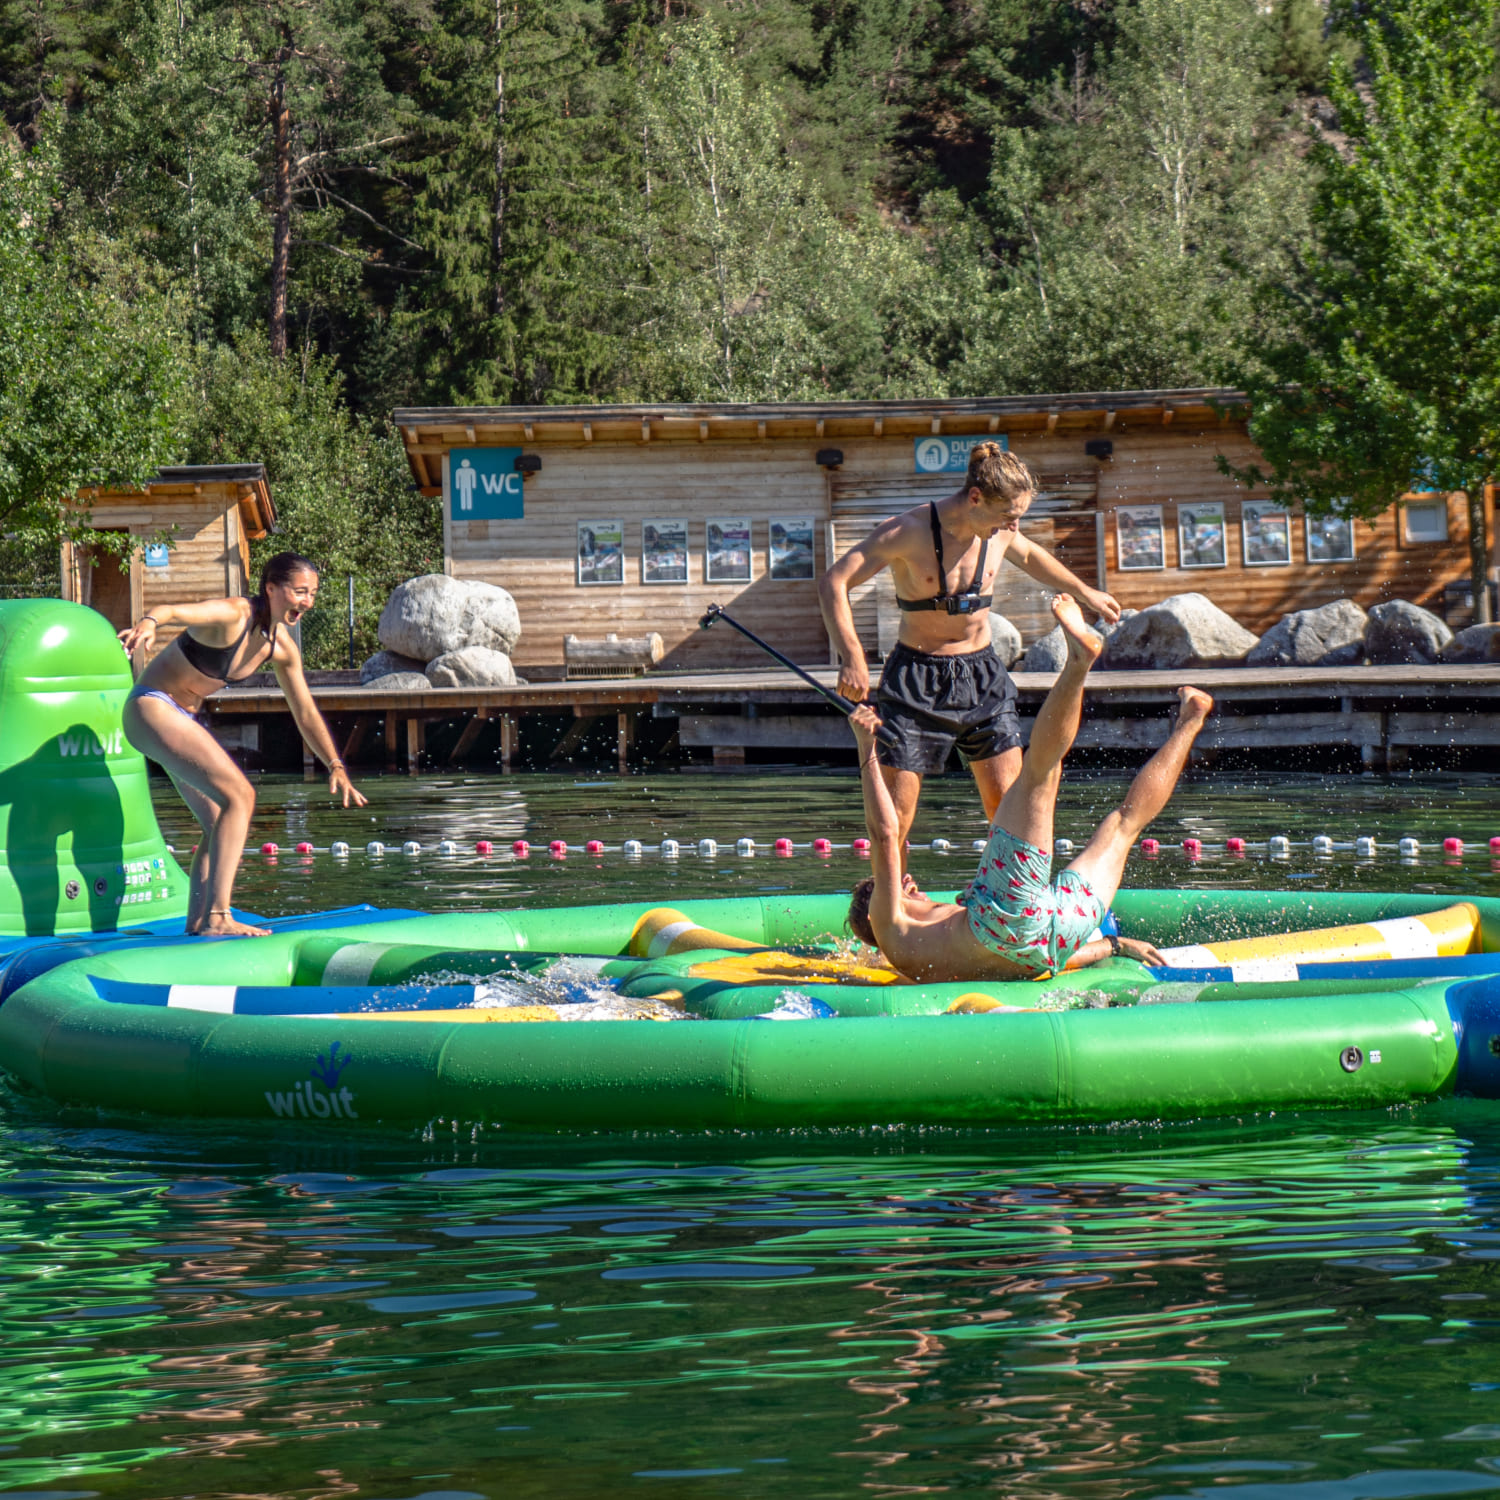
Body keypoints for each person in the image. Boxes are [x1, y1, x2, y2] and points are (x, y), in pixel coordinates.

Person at [845, 593, 1213, 983]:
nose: (907, 881)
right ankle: (1077, 663)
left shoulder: (918, 955)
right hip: (1007, 919)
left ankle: (1191, 721)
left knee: (1125, 825)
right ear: (875, 912)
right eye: (889, 886)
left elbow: (1032, 947)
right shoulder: (891, 926)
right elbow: (884, 835)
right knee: (1039, 771)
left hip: (1049, 943)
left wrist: (1114, 945)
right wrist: (866, 747)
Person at [819, 442, 1122, 865]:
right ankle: (893, 906)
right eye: (1008, 516)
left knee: (1009, 809)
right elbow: (835, 581)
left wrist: (1085, 591)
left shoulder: (1001, 533)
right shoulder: (906, 531)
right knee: (896, 820)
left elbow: (1033, 556)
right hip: (914, 680)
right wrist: (852, 655)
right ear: (976, 498)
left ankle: (1013, 905)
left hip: (982, 676)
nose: (1013, 526)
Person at [116, 552, 367, 937]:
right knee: (241, 796)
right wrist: (148, 624)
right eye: (300, 591)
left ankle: (199, 923)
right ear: (271, 588)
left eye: (313, 594)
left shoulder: (282, 648)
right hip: (151, 706)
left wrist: (335, 764)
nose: (307, 602)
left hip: (179, 718)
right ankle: (219, 917)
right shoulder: (234, 613)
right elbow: (170, 610)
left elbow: (305, 712)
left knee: (218, 820)